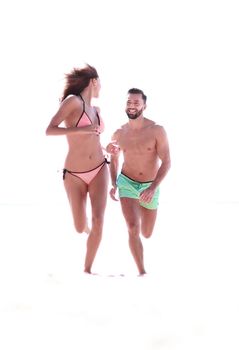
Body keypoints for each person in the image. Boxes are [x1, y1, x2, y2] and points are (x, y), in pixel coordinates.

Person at [46, 64, 109, 274]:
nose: (101, 87)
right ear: (93, 81)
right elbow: (50, 130)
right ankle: (88, 232)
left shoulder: (96, 110)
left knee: (99, 220)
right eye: (100, 82)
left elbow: (94, 138)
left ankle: (87, 270)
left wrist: (109, 147)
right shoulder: (73, 102)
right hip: (74, 174)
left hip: (100, 167)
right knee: (79, 225)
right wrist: (81, 130)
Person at [106, 88, 171, 275]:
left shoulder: (157, 130)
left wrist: (153, 188)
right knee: (133, 227)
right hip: (127, 182)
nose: (132, 106)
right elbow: (114, 159)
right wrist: (113, 183)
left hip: (150, 185)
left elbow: (167, 161)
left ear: (144, 106)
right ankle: (142, 272)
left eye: (136, 102)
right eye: (129, 102)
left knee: (147, 232)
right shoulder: (119, 133)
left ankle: (142, 209)